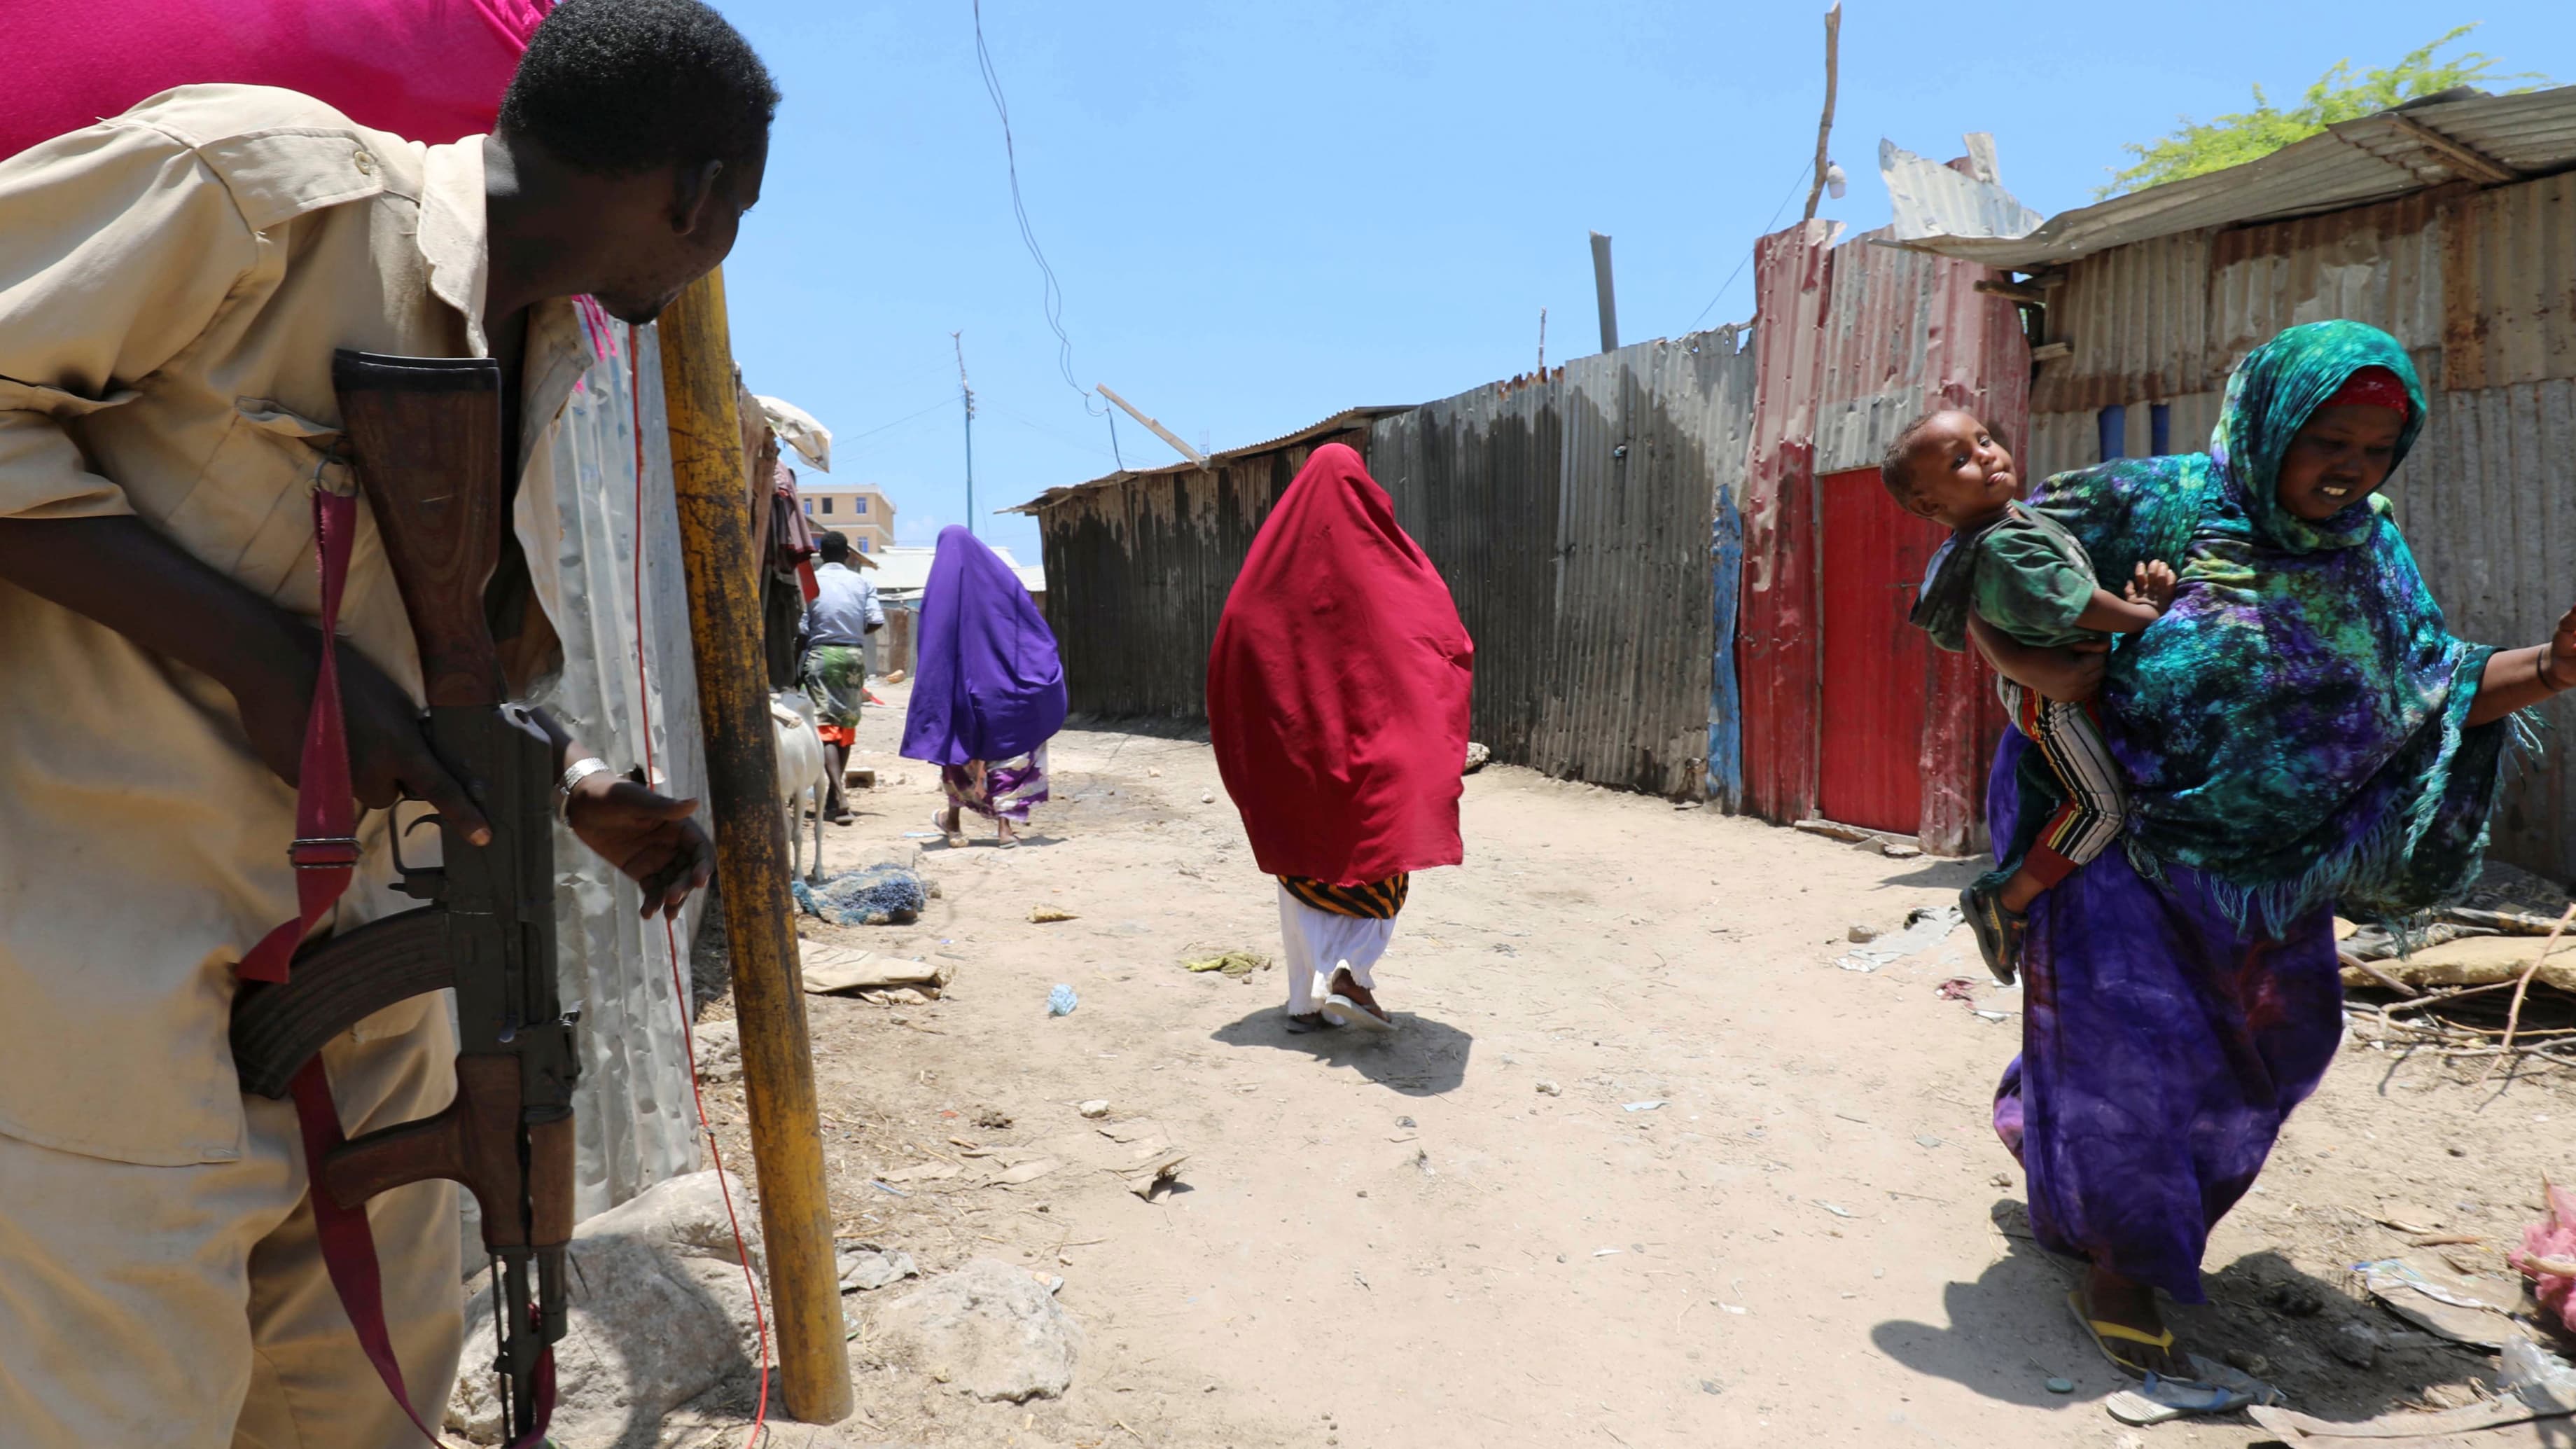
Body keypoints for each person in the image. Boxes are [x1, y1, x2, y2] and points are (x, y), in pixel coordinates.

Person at [0, 1, 773, 1441]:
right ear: (700, 196)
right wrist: (259, 657)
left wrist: (578, 783)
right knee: (123, 1404)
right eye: (736, 219)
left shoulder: (531, 352)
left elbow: (419, 653)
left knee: (363, 1407)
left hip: (366, 992)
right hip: (100, 968)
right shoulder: (260, 185)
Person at [1967, 320, 2576, 1379]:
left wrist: (2554, 668)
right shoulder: (2150, 502)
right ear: (2270, 421)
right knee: (2134, 1078)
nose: (2348, 467)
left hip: (2272, 872)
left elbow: (2432, 686)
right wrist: (2034, 665)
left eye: (2372, 450)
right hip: (2126, 847)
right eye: (2324, 439)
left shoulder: (2369, 547)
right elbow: (1982, 566)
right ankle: (2123, 1263)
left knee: (2278, 1055)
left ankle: (2064, 1139)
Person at [1886, 410, 2178, 984]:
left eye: (1984, 440)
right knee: (2101, 807)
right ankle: (2005, 898)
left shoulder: (2014, 520)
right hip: (2055, 702)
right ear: (1929, 505)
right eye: (1960, 461)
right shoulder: (2003, 544)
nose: (1987, 456)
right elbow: (2076, 603)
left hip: (2048, 683)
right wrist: (2143, 611)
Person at [1206, 443, 1474, 1033]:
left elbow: (1237, 647)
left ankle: (1303, 999)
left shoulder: (1264, 577)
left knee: (1299, 864)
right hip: (1376, 751)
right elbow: (1438, 638)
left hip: (1295, 754)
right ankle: (1353, 970)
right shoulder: (1391, 567)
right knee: (1379, 851)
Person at [900, 525, 1066, 850]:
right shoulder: (1002, 581)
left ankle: (955, 825)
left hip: (961, 689)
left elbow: (932, 647)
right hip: (1004, 692)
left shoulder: (939, 589)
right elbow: (1032, 628)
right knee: (1011, 752)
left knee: (957, 752)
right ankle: (1005, 830)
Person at [802, 528, 884, 824]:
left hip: (822, 656)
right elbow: (876, 620)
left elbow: (801, 628)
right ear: (848, 554)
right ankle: (837, 800)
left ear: (821, 555)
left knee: (825, 727)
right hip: (852, 657)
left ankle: (839, 796)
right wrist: (851, 633)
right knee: (845, 726)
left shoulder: (810, 582)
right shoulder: (862, 582)